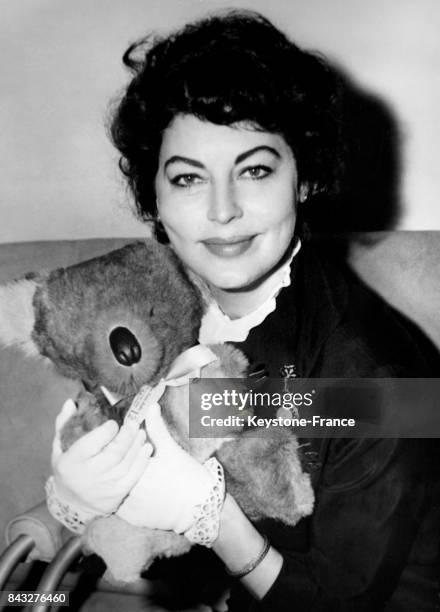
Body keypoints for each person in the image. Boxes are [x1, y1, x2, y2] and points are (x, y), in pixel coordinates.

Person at [48, 10, 440, 611]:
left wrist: (211, 517)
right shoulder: (160, 300)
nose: (222, 210)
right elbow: (179, 428)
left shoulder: (380, 382)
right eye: (187, 178)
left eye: (254, 169)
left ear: (304, 178)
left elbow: (335, 604)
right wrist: (65, 508)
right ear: (154, 194)